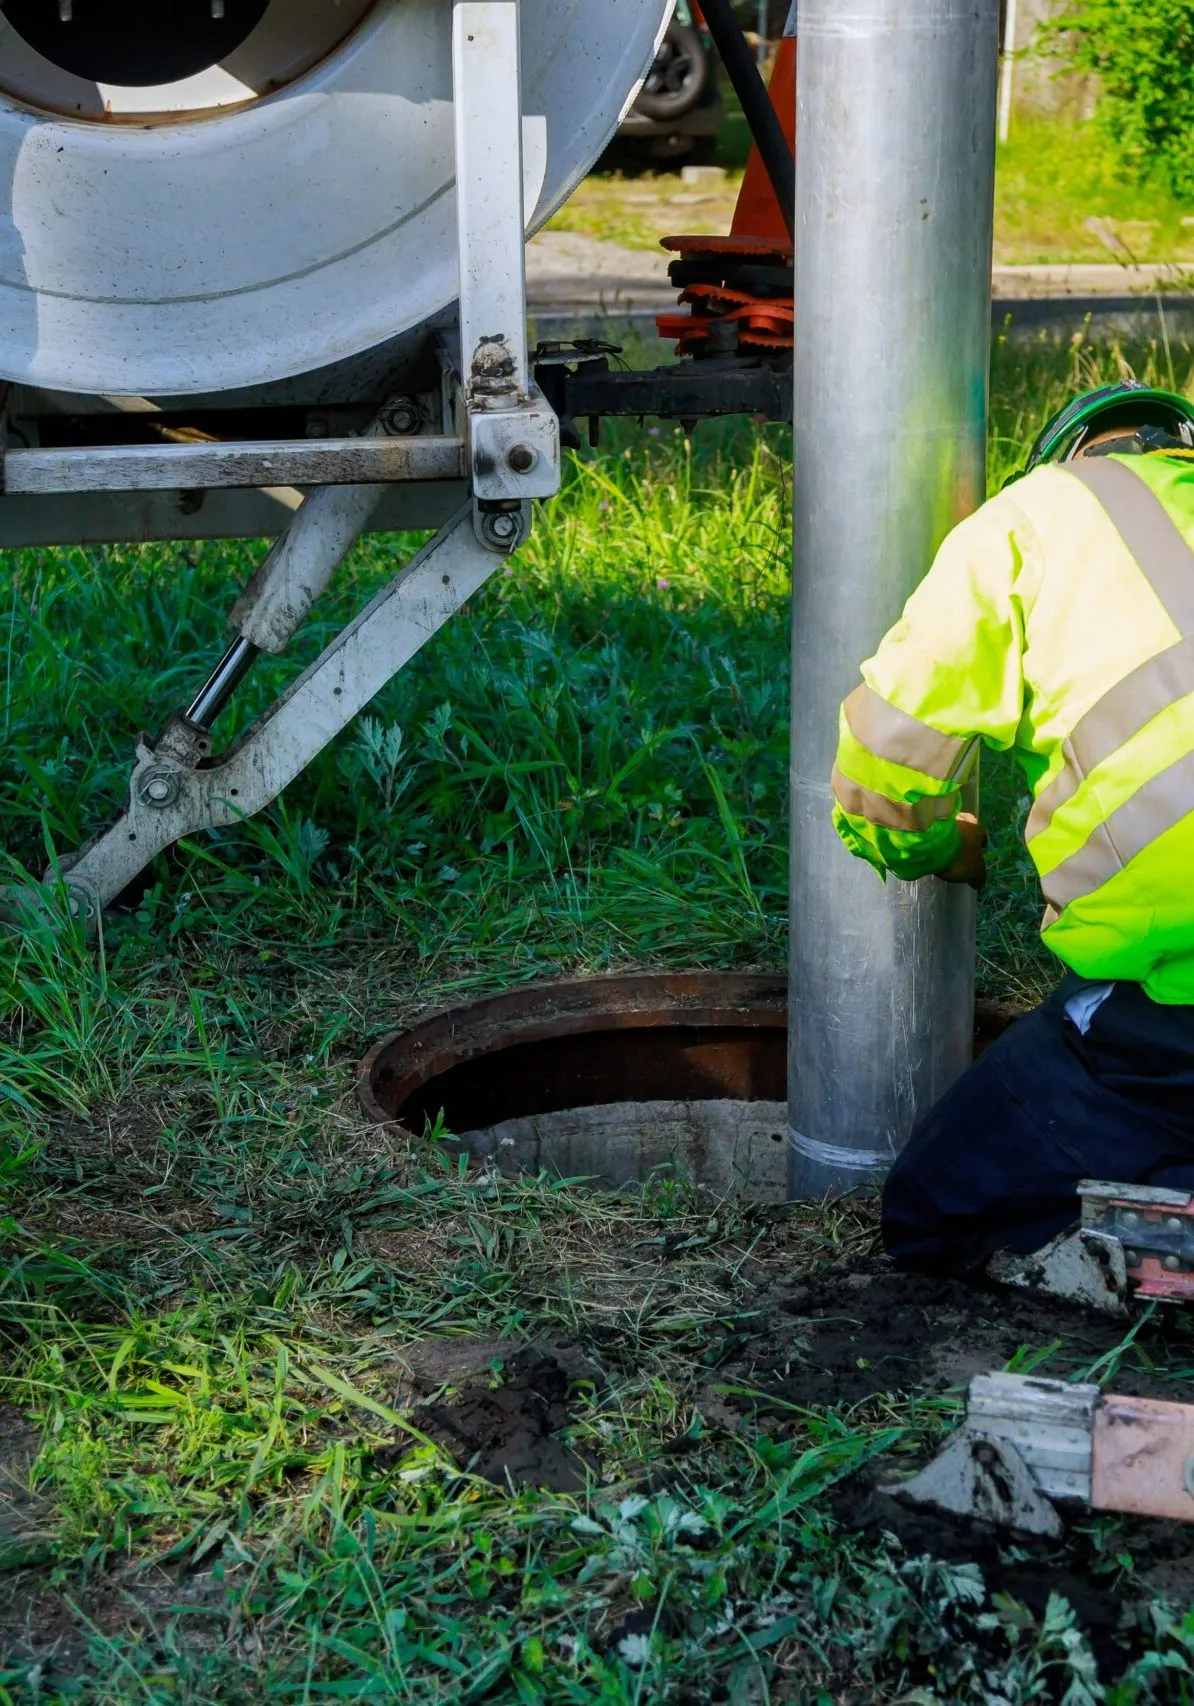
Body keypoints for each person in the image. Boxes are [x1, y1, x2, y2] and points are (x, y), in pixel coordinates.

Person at [830, 381, 1194, 1275]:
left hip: (1176, 1008)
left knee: (934, 1212)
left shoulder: (1031, 519)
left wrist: (936, 848)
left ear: (1070, 456)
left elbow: (884, 764)